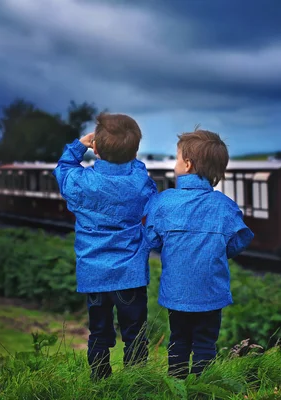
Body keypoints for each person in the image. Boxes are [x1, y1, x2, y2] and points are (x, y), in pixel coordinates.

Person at [53, 113, 157, 380]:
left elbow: (63, 168)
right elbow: (145, 180)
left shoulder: (81, 182)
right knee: (135, 335)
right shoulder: (139, 181)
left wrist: (80, 145)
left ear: (96, 147)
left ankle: (100, 382)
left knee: (98, 333)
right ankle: (135, 382)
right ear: (134, 150)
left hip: (93, 274)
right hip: (129, 274)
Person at [143, 128, 254, 379]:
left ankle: (178, 387)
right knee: (205, 344)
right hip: (211, 293)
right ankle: (202, 391)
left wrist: (174, 248)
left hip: (177, 293)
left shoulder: (164, 202)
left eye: (177, 158)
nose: (174, 163)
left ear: (188, 164)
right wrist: (213, 251)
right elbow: (239, 241)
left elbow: (152, 239)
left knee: (178, 341)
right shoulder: (225, 206)